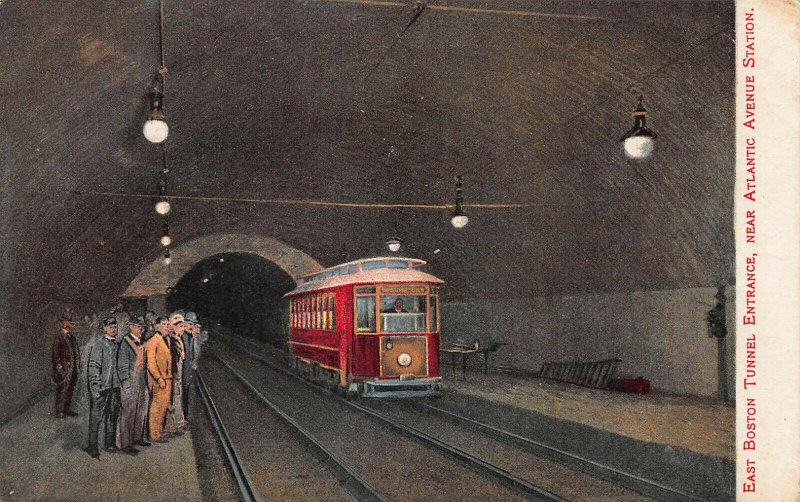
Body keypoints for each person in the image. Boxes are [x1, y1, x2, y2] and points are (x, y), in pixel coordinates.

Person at [85, 317, 122, 458]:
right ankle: (92, 446)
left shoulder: (118, 345)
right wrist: (94, 387)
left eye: (115, 327)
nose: (114, 329)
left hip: (115, 387)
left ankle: (110, 443)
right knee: (97, 417)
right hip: (101, 388)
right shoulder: (99, 345)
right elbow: (93, 367)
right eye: (111, 327)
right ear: (105, 329)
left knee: (112, 416)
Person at [117, 316, 150, 455]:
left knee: (140, 409)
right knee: (128, 412)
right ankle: (126, 444)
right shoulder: (125, 343)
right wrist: (126, 383)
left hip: (141, 380)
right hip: (130, 381)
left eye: (142, 327)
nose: (141, 330)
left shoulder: (140, 342)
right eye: (138, 327)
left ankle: (137, 437)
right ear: (131, 327)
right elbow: (122, 366)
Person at [146, 316, 173, 442]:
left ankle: (159, 431)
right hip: (160, 380)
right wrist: (159, 378)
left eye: (168, 324)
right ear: (157, 326)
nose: (167, 326)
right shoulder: (153, 341)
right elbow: (151, 363)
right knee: (156, 406)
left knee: (163, 407)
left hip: (167, 378)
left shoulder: (164, 340)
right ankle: (154, 434)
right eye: (164, 324)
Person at [51, 311, 80, 419]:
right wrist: (61, 371)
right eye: (67, 321)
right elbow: (56, 357)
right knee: (62, 389)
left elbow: (75, 352)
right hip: (64, 370)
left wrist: (77, 366)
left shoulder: (71, 336)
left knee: (70, 389)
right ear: (62, 323)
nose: (69, 323)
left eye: (69, 321)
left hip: (72, 368)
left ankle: (67, 410)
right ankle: (59, 411)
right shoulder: (59, 337)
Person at [165, 312, 187, 435]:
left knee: (177, 398)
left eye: (183, 326)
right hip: (173, 375)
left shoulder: (178, 339)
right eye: (179, 326)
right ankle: (173, 426)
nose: (182, 328)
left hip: (178, 375)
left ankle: (179, 423)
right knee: (172, 400)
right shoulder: (171, 341)